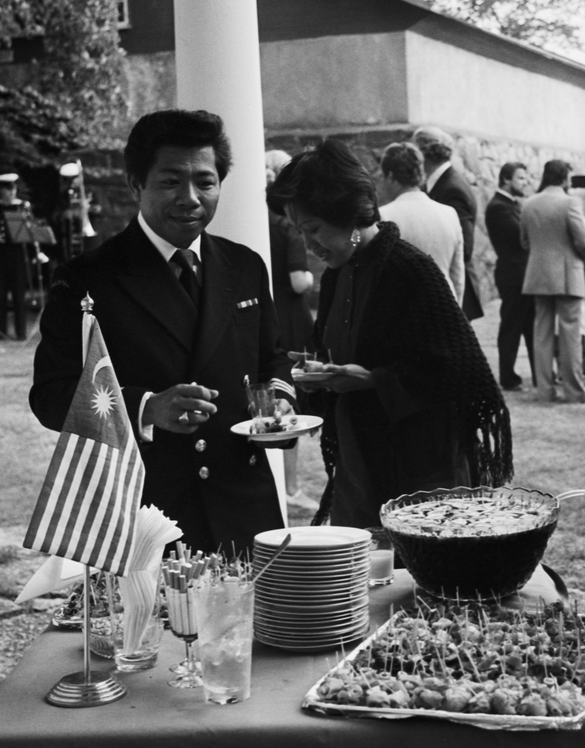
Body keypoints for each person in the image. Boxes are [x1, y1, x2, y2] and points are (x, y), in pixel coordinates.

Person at [30, 109, 295, 558]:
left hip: (245, 506)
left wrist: (282, 399)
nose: (191, 198)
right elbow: (52, 395)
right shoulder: (88, 279)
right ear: (136, 184)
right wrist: (146, 407)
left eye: (206, 182)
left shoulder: (245, 266)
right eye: (171, 181)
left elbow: (272, 360)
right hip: (151, 514)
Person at [271, 139, 512, 527]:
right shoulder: (338, 275)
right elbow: (337, 351)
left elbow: (457, 373)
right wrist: (317, 373)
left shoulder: (409, 270)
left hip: (420, 471)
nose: (308, 245)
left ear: (348, 213)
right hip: (360, 464)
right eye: (300, 232)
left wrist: (372, 379)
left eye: (314, 230)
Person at [264, 148, 317, 516]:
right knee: (288, 404)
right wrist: (315, 276)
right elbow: (299, 282)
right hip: (291, 320)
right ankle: (292, 487)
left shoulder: (256, 221)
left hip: (266, 318)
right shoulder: (287, 227)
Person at [521, 159, 585, 403]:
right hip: (567, 273)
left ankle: (544, 389)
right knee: (570, 334)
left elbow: (524, 241)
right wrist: (583, 256)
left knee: (541, 333)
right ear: (564, 177)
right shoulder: (569, 202)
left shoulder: (528, 203)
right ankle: (574, 390)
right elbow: (583, 241)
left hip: (537, 274)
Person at [377, 141, 465, 304]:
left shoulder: (383, 216)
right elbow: (457, 274)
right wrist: (456, 309)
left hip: (403, 310)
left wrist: (353, 236)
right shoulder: (449, 214)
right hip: (444, 307)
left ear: (390, 176)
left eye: (382, 177)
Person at [413, 126, 484, 320]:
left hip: (454, 290)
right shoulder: (437, 183)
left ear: (422, 153)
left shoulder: (452, 189)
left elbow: (465, 248)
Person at [484, 161, 536, 390]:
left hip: (522, 275)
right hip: (513, 276)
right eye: (521, 178)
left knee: (530, 327)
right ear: (506, 179)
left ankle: (540, 375)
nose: (526, 183)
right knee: (512, 328)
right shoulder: (499, 206)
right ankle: (508, 378)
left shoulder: (510, 204)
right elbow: (520, 237)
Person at [0, 172, 31, 340]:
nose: (12, 192)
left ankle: (21, 332)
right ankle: (1, 331)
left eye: (13, 189)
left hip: (17, 254)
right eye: (7, 190)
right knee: (0, 294)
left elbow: (29, 231)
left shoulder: (22, 206)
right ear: (1, 191)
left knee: (19, 295)